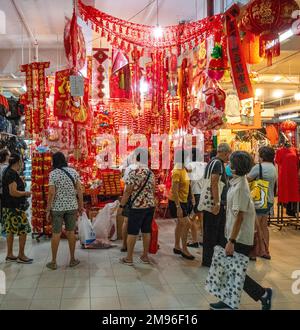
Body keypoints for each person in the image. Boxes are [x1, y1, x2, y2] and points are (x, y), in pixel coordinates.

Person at [209, 151, 272, 310]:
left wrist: (231, 241)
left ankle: (263, 294)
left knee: (236, 270)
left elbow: (239, 217)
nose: (227, 166)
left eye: (230, 164)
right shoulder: (236, 181)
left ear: (235, 169)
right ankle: (228, 299)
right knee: (231, 269)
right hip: (232, 233)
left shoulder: (240, 188)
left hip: (239, 236)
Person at [46, 152, 84, 270]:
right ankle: (72, 259)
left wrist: (48, 209)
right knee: (71, 232)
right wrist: (81, 205)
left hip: (57, 208)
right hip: (72, 206)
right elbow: (79, 190)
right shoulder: (73, 172)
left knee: (56, 233)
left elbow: (51, 193)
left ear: (54, 161)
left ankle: (53, 261)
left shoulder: (53, 174)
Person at [118, 148, 156, 265]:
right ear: (148, 159)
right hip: (150, 206)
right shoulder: (151, 173)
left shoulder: (133, 172)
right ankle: (145, 256)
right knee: (146, 231)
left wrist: (121, 206)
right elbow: (153, 190)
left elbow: (128, 191)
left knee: (132, 232)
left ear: (136, 158)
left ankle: (129, 258)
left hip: (137, 206)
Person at [202, 143, 231, 267]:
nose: (228, 157)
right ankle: (209, 260)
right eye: (228, 154)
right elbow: (214, 182)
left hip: (213, 203)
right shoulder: (218, 163)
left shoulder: (212, 162)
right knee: (213, 231)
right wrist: (217, 202)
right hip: (214, 203)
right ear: (224, 153)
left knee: (212, 231)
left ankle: (212, 259)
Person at [2, 153, 32, 263]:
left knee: (10, 230)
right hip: (15, 207)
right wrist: (26, 193)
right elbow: (13, 192)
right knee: (23, 229)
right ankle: (21, 255)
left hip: (7, 206)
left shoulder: (8, 171)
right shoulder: (12, 173)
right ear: (18, 162)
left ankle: (9, 254)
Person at [248, 146, 277, 260]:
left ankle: (255, 251)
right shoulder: (273, 167)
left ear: (262, 156)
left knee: (255, 226)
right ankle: (266, 250)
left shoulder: (258, 167)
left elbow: (247, 179)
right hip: (269, 199)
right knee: (264, 226)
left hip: (259, 200)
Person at [168, 149, 195, 260]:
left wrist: (192, 196)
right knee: (187, 223)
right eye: (188, 157)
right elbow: (174, 190)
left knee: (180, 224)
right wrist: (178, 207)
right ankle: (184, 249)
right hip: (176, 201)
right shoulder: (177, 171)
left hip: (183, 200)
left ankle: (177, 246)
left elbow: (188, 185)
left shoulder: (184, 169)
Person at [186, 147, 206, 248]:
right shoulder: (205, 165)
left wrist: (191, 196)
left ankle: (193, 240)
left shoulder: (190, 165)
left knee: (191, 218)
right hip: (203, 193)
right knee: (201, 217)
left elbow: (188, 182)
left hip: (195, 194)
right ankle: (204, 239)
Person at [120, 151, 138, 252]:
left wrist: (122, 204)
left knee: (126, 221)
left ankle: (124, 245)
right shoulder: (144, 169)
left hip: (129, 197)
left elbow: (126, 185)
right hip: (139, 198)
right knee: (137, 222)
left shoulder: (128, 169)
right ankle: (132, 245)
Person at [0, 149, 10, 226]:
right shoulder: (6, 167)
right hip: (5, 191)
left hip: (2, 191)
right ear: (6, 156)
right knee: (5, 209)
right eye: (9, 155)